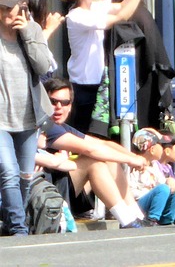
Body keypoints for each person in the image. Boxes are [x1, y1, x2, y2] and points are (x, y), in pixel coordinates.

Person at [37, 77, 150, 228]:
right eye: (53, 102)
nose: (59, 107)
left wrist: (134, 157)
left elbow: (103, 143)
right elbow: (89, 149)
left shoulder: (63, 127)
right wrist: (130, 161)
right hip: (44, 193)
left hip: (63, 188)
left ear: (70, 106)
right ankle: (127, 220)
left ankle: (135, 215)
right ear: (44, 103)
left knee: (109, 157)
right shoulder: (46, 126)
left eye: (64, 103)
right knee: (94, 162)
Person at [61, 0, 154, 132]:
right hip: (84, 85)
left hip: (97, 82)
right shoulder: (77, 16)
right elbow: (121, 16)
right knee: (82, 132)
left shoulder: (94, 7)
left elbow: (122, 6)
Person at [0, 0, 56, 235]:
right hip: (1, 119)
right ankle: (19, 228)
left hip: (28, 118)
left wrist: (28, 36)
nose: (7, 14)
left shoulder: (31, 30)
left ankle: (10, 219)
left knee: (24, 176)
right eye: (2, 8)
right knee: (9, 173)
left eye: (12, 8)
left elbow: (44, 68)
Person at [98, 0, 175, 132]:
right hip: (142, 86)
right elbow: (157, 57)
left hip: (107, 86)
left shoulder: (104, 13)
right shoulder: (140, 15)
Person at [128, 128, 175, 225]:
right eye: (161, 145)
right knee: (163, 189)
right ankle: (151, 220)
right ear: (152, 149)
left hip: (152, 200)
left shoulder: (154, 165)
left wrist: (169, 180)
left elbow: (162, 182)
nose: (163, 148)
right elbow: (130, 191)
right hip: (138, 204)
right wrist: (150, 192)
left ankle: (167, 220)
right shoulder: (133, 167)